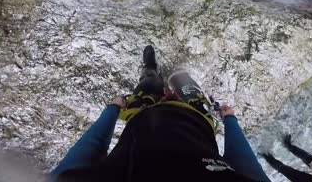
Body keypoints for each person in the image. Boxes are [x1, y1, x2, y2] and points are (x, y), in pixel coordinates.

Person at [48, 45, 270, 182]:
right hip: (195, 118)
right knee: (183, 80)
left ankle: (150, 68)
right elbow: (245, 163)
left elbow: (87, 151)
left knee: (150, 81)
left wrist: (113, 108)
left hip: (148, 113)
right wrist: (230, 119)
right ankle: (170, 74)